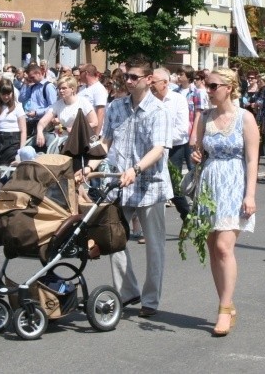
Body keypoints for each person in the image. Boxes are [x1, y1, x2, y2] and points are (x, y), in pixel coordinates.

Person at [82, 55, 172, 318]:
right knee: (114, 239)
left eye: (134, 77)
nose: (129, 81)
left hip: (150, 185)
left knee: (155, 247)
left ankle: (151, 300)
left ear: (148, 79)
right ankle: (128, 290)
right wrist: (90, 166)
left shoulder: (159, 111)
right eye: (126, 76)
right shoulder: (116, 107)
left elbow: (158, 149)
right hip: (121, 185)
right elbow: (107, 143)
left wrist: (136, 169)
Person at [189, 67, 257, 336]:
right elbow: (199, 151)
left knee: (223, 246)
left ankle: (224, 309)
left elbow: (252, 160)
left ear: (229, 87)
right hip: (209, 183)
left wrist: (250, 195)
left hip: (234, 184)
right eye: (207, 85)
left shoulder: (245, 118)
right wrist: (197, 157)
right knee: (212, 247)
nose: (208, 90)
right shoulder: (204, 118)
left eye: (213, 85)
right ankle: (226, 305)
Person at [151, 67, 191, 220]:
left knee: (172, 186)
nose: (151, 85)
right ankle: (148, 227)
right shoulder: (149, 100)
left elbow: (182, 130)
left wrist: (160, 139)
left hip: (174, 148)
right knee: (153, 185)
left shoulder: (178, 99)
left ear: (165, 83)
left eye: (154, 82)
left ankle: (187, 215)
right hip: (152, 149)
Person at [36, 75, 97, 151]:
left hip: (79, 141)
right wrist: (39, 132)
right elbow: (43, 121)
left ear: (72, 89)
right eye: (59, 88)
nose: (61, 91)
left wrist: (76, 129)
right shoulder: (57, 104)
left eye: (64, 88)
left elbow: (94, 123)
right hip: (62, 142)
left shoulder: (83, 102)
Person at [0, 78, 27, 166]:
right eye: (3, 94)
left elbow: (23, 130)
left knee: (10, 166)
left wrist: (21, 150)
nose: (6, 97)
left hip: (13, 140)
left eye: (9, 94)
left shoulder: (18, 107)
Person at [77, 64, 107, 137]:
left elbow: (100, 112)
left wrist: (95, 135)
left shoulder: (99, 89)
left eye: (80, 72)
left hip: (91, 132)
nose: (79, 75)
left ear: (86, 73)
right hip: (81, 130)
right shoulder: (82, 88)